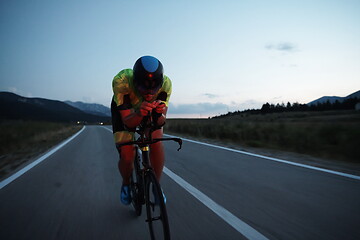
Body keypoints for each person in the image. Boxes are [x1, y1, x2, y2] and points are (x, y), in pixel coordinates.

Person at [111, 55, 172, 205]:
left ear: (160, 83)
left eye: (154, 88)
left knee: (156, 142)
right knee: (127, 154)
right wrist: (139, 113)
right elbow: (128, 123)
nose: (150, 93)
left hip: (148, 110)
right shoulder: (122, 81)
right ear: (135, 82)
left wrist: (159, 114)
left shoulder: (166, 84)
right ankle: (126, 183)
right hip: (126, 113)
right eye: (144, 87)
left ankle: (156, 187)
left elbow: (161, 121)